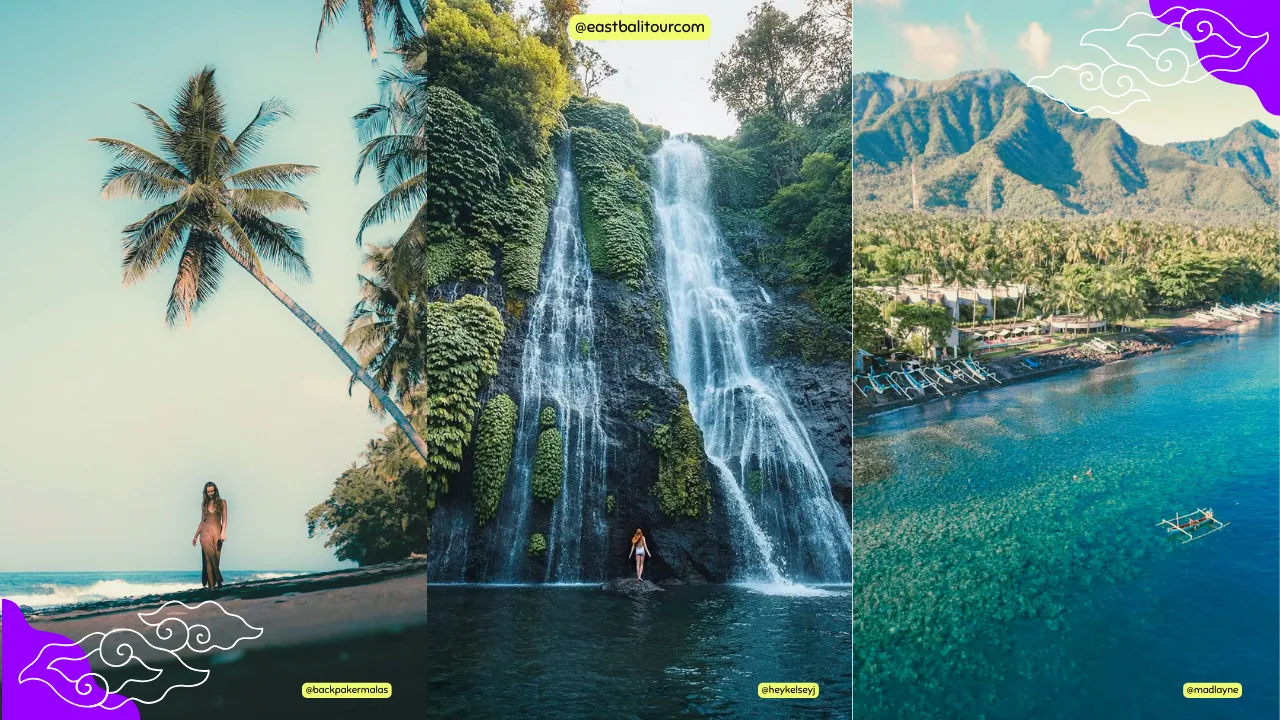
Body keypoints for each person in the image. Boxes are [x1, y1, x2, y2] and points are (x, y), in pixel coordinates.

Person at [192, 482, 228, 590]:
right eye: (208, 492)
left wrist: (223, 532)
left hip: (217, 533)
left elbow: (225, 519)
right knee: (209, 559)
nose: (210, 493)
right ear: (205, 492)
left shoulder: (222, 502)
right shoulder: (204, 504)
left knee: (216, 559)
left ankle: (216, 581)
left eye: (212, 491)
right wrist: (195, 536)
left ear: (215, 490)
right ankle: (212, 586)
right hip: (205, 534)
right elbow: (202, 521)